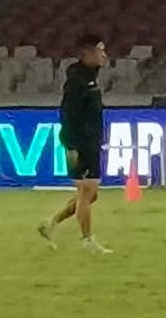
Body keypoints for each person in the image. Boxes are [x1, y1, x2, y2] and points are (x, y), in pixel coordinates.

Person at [39, 34, 112, 253]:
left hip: (90, 143)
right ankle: (88, 241)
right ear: (87, 53)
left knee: (90, 194)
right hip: (80, 144)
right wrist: (71, 146)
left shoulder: (90, 78)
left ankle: (49, 224)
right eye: (100, 51)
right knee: (87, 192)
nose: (104, 55)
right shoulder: (76, 82)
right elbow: (68, 115)